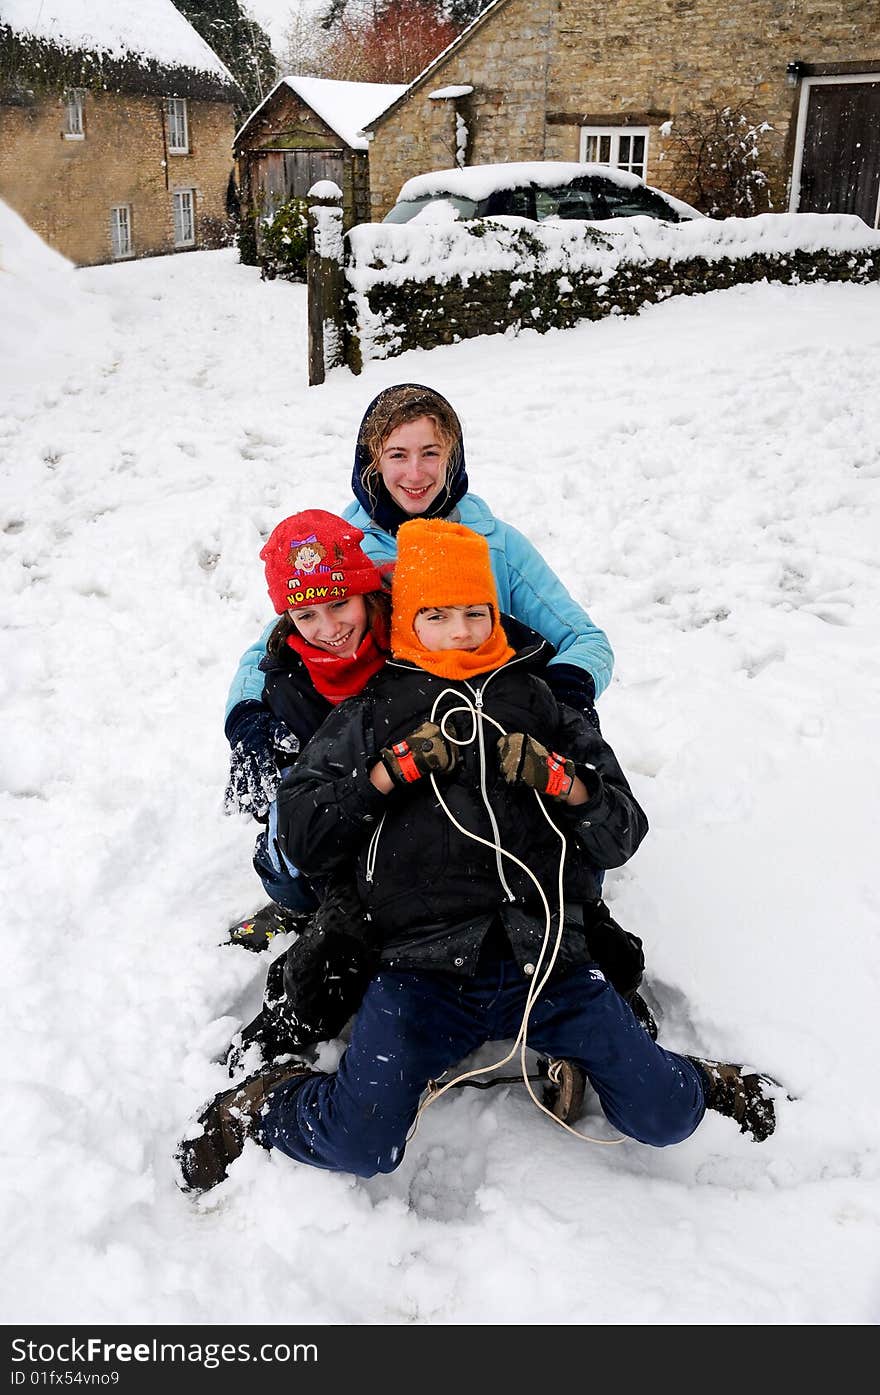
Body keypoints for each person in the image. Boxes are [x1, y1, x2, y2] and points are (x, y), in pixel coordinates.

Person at [178, 520, 778, 1193]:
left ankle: (698, 1078)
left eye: (475, 612)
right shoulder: (371, 714)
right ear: (408, 620)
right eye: (437, 615)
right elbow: (297, 836)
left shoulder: (540, 702)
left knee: (662, 1115)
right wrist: (379, 777)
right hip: (419, 972)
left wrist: (565, 782)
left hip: (546, 959)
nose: (460, 631)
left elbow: (623, 830)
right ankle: (260, 1104)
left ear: (495, 612)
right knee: (363, 1138)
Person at [223, 383, 614, 945]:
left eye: (430, 453)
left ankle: (570, 914)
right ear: (370, 462)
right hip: (389, 734)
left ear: (453, 457)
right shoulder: (342, 547)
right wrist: (247, 719)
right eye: (396, 455)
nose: (415, 473)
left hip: (480, 734)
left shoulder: (494, 545)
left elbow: (585, 638)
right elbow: (276, 644)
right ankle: (314, 902)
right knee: (312, 809)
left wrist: (558, 703)